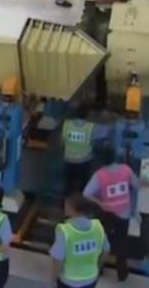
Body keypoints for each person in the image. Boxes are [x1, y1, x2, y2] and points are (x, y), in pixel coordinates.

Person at [83, 145, 140, 281]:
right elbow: (136, 185)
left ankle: (98, 267)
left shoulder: (99, 175)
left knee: (102, 240)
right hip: (124, 212)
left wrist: (100, 203)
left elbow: (86, 193)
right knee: (122, 241)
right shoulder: (126, 170)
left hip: (108, 212)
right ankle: (122, 272)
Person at [50, 194, 110, 288]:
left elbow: (58, 258)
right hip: (90, 278)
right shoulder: (98, 227)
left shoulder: (64, 230)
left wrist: (54, 278)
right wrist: (97, 267)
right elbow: (106, 249)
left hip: (68, 279)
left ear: (72, 209)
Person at [61, 108, 106, 195]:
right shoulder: (91, 127)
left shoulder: (66, 124)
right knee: (83, 188)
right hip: (84, 161)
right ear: (87, 115)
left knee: (68, 187)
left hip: (68, 160)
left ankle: (66, 202)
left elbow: (62, 142)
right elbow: (94, 142)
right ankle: (81, 202)